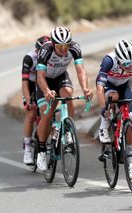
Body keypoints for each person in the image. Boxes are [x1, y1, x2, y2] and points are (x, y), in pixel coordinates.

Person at [35, 26, 93, 171]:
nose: (64, 50)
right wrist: (47, 91)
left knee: (67, 95)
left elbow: (81, 70)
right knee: (48, 114)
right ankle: (41, 151)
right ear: (54, 44)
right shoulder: (45, 50)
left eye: (66, 45)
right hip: (45, 81)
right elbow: (40, 76)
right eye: (60, 46)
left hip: (60, 77)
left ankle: (68, 130)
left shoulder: (74, 47)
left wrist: (85, 88)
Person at [96, 39, 132, 178]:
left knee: (130, 120)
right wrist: (103, 108)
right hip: (108, 86)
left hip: (124, 86)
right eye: (126, 63)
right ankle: (104, 126)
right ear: (118, 59)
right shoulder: (108, 61)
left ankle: (130, 159)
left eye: (131, 63)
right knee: (114, 96)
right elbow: (99, 88)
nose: (129, 66)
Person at [22, 35, 50, 164]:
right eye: (40, 51)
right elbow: (24, 82)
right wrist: (28, 101)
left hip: (45, 83)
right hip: (32, 85)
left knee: (49, 113)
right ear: (36, 50)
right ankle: (27, 147)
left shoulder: (50, 55)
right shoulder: (29, 58)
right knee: (31, 113)